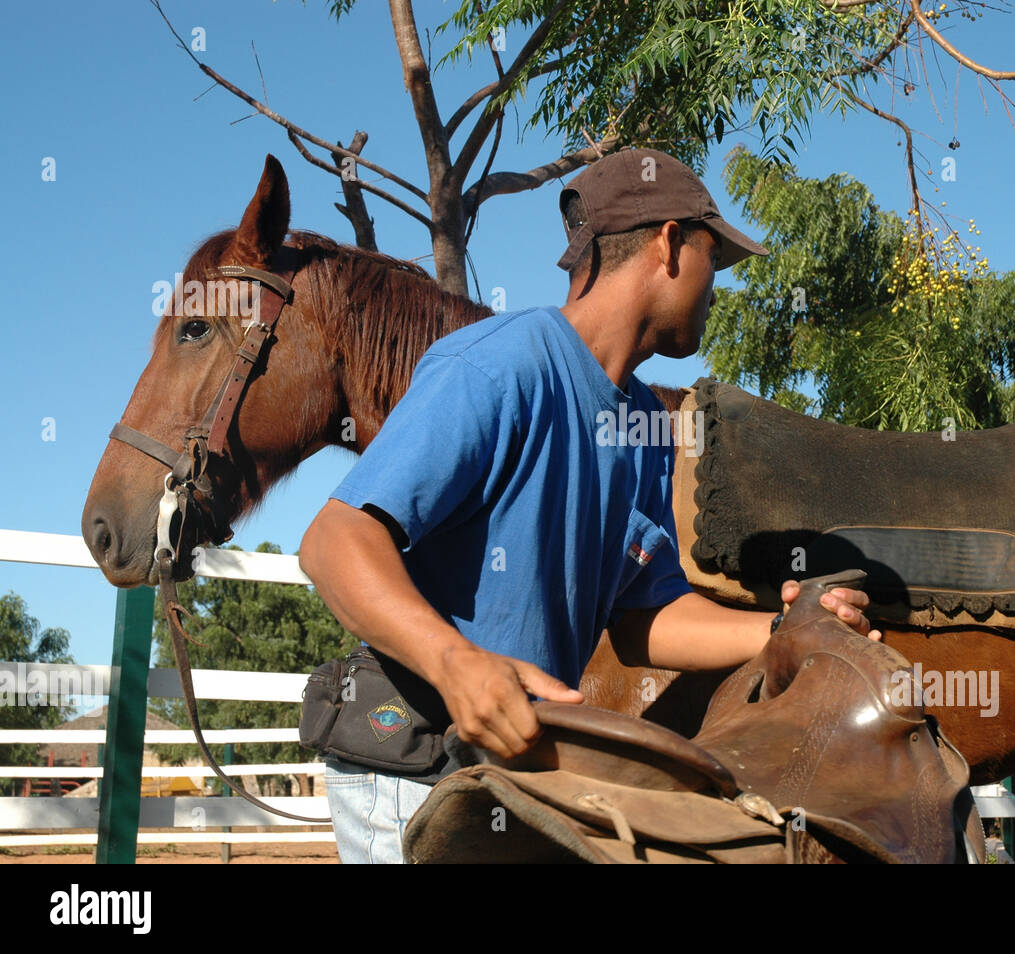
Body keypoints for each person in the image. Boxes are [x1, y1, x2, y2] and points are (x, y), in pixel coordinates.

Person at [298, 147, 881, 864]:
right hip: (415, 759)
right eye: (712, 258)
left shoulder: (641, 427)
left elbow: (643, 619)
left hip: (515, 771)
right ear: (669, 243)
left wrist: (779, 631)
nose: (714, 287)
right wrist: (455, 662)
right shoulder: (500, 363)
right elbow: (334, 539)